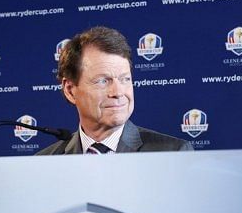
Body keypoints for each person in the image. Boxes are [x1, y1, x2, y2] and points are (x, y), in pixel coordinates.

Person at [37, 26, 192, 155]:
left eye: (125, 79)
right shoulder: (46, 162)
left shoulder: (172, 153)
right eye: (103, 81)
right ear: (70, 91)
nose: (118, 92)